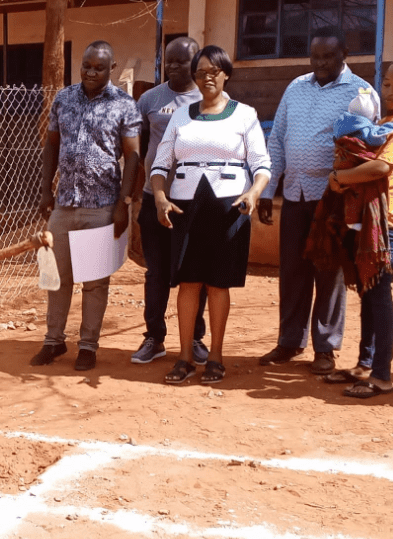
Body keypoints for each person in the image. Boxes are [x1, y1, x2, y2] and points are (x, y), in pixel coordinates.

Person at [258, 26, 380, 375]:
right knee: (292, 270)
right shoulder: (296, 87)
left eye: (328, 56)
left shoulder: (361, 93)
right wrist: (269, 188)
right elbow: (277, 140)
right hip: (294, 193)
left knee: (329, 272)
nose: (320, 63)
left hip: (334, 199)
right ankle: (289, 341)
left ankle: (325, 349)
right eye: (315, 56)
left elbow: (366, 150)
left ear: (344, 56)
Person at [151, 45, 271, 385]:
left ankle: (215, 356)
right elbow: (161, 164)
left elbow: (262, 165)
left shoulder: (244, 114)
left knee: (218, 283)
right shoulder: (180, 115)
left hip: (229, 206)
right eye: (201, 71)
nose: (207, 77)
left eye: (214, 71)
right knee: (188, 282)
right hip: (185, 206)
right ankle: (185, 356)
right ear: (194, 76)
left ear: (226, 73)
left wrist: (253, 192)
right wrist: (160, 197)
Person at [31, 40, 141, 371]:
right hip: (64, 203)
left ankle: (88, 345)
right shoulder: (63, 99)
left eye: (99, 67)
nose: (91, 72)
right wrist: (45, 189)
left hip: (102, 205)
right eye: (86, 66)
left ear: (112, 68)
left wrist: (124, 203)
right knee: (55, 275)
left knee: (94, 280)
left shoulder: (125, 105)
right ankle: (54, 341)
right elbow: (50, 146)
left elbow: (132, 156)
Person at [312, 67, 393, 398]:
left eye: (392, 83)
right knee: (369, 292)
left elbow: (381, 167)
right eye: (386, 82)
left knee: (379, 297)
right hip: (371, 222)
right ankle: (365, 363)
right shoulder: (379, 126)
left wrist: (340, 179)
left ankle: (383, 374)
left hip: (386, 225)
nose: (387, 88)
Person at [130, 36, 209, 366]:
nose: (173, 66)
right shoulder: (150, 99)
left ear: (195, 63)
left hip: (193, 202)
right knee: (156, 272)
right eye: (169, 61)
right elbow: (139, 149)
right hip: (154, 199)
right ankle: (154, 337)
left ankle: (194, 338)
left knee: (195, 273)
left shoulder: (209, 99)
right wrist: (134, 197)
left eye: (181, 61)